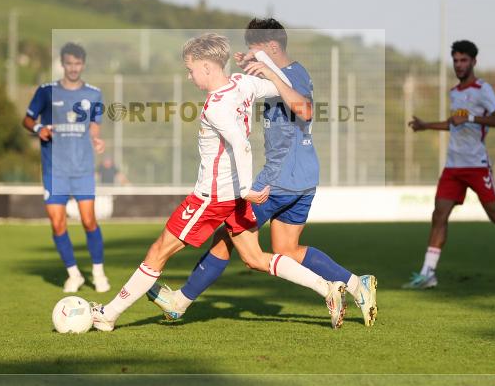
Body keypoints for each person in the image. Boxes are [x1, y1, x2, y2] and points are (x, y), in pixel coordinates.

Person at [89, 33, 347, 331]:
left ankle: (108, 315)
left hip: (211, 198)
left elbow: (241, 145)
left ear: (208, 67)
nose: (189, 76)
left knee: (158, 251)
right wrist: (263, 62)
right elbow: (275, 86)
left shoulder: (216, 106)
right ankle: (327, 288)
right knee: (254, 257)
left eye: (191, 69)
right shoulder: (243, 83)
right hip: (233, 198)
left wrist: (246, 188)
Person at [148, 18, 378, 327]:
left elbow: (306, 110)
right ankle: (355, 284)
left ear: (271, 47)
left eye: (254, 49)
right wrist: (251, 65)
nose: (250, 56)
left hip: (280, 177)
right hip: (303, 176)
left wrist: (268, 72)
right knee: (287, 249)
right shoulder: (286, 72)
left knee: (228, 236)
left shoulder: (291, 74)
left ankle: (181, 301)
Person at [404, 39, 495, 289]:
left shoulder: (483, 89)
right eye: (455, 60)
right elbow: (454, 123)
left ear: (474, 62)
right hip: (453, 166)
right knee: (439, 215)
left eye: (463, 60)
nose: (459, 65)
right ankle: (428, 273)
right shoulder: (454, 92)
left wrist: (471, 117)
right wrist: (426, 125)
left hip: (476, 165)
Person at [23, 42, 110, 293]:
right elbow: (27, 119)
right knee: (57, 223)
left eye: (78, 64)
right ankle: (74, 274)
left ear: (83, 65)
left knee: (89, 221)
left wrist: (96, 139)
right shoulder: (46, 91)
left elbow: (94, 125)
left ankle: (98, 272)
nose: (73, 68)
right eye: (69, 63)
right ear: (62, 64)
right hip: (55, 170)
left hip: (82, 168)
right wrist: (39, 129)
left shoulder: (94, 94)